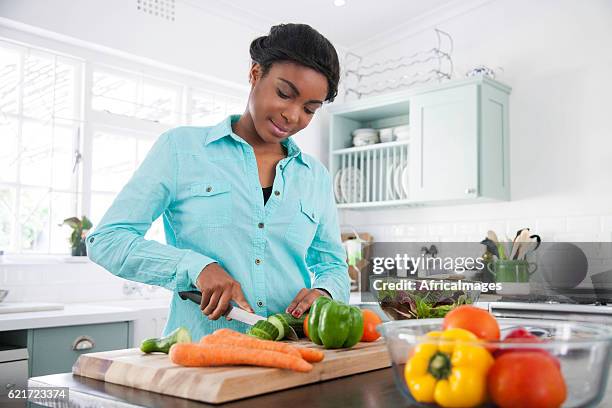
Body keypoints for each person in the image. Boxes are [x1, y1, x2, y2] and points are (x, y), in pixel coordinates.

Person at [86, 23, 349, 340]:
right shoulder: (181, 150)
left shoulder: (315, 176)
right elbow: (107, 240)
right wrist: (195, 267)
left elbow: (332, 264)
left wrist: (324, 291)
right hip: (201, 358)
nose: (293, 116)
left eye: (309, 109)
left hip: (293, 353)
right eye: (284, 94)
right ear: (255, 74)